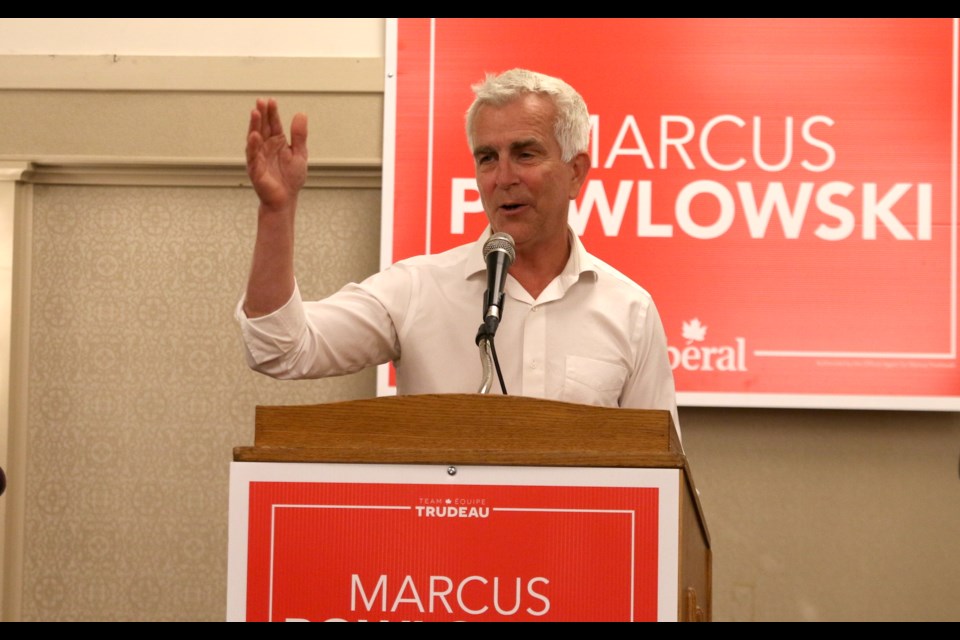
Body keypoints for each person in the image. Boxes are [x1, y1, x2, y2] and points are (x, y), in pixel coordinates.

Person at [236, 68, 680, 434]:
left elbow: (661, 471)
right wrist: (277, 212)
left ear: (576, 172)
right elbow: (281, 349)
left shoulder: (630, 310)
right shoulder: (416, 289)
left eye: (525, 154)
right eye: (487, 158)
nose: (503, 177)